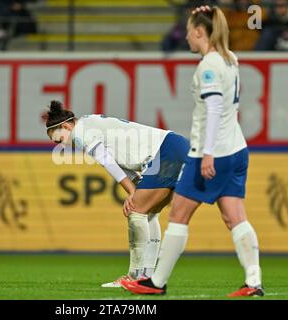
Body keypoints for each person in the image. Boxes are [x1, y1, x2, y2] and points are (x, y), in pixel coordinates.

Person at [122, 5, 264, 297]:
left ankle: (156, 283)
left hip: (212, 153)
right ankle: (253, 281)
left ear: (200, 32)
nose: (185, 36)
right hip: (237, 149)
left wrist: (207, 154)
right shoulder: (230, 59)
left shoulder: (209, 66)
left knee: (178, 215)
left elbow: (212, 109)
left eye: (189, 30)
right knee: (235, 216)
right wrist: (211, 12)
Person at [42, 100, 190, 288]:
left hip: (165, 152)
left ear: (65, 126)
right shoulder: (89, 122)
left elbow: (108, 162)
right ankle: (147, 276)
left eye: (58, 139)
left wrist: (131, 192)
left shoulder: (80, 134)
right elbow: (119, 162)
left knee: (136, 211)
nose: (59, 144)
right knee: (149, 213)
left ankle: (134, 276)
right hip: (175, 145)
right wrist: (134, 189)